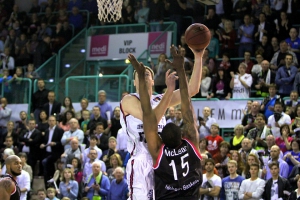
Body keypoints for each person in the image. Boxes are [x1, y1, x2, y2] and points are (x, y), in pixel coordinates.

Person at [121, 44, 204, 199]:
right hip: (142, 159)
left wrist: (198, 57)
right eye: (139, 75)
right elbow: (150, 120)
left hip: (163, 158)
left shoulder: (160, 99)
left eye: (147, 74)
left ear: (153, 81)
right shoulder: (128, 100)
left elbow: (191, 90)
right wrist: (169, 92)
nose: (143, 75)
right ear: (134, 83)